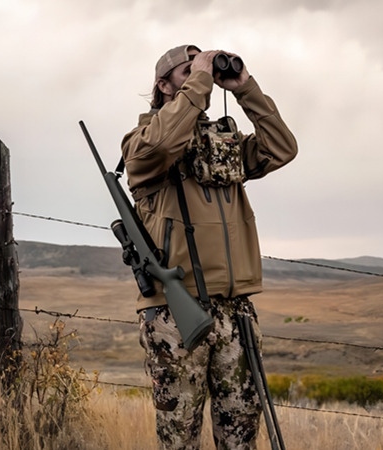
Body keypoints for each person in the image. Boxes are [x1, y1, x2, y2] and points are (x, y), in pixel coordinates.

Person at [120, 44, 297, 449]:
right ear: (163, 85)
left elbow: (282, 148)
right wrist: (200, 80)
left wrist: (245, 88)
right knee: (179, 440)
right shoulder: (142, 144)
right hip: (176, 313)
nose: (202, 75)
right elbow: (163, 145)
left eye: (203, 69)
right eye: (188, 71)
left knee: (241, 437)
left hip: (234, 311)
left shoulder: (223, 144)